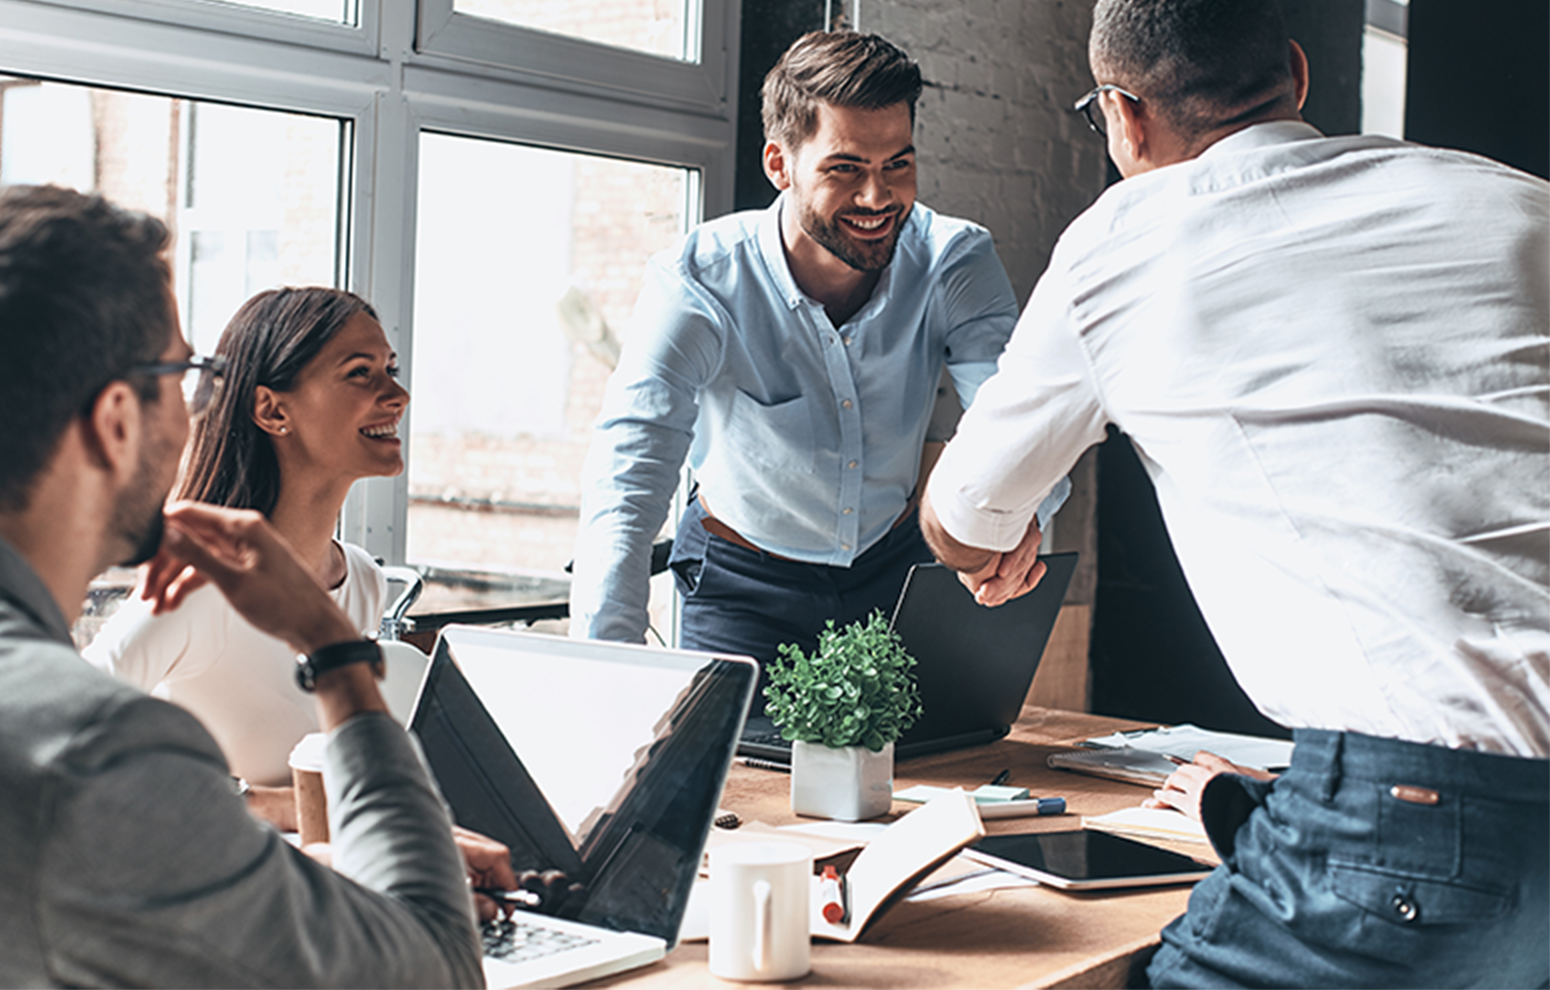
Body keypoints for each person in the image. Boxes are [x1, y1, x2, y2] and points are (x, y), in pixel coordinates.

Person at [918, 0, 1549, 986]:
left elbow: (960, 520)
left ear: (1122, 116)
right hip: (1418, 804)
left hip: (1420, 824)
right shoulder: (1516, 204)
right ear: (1294, 75)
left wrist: (990, 542)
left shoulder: (1126, 239)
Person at [0, 184, 510, 986]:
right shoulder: (95, 746)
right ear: (116, 421)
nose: (202, 403)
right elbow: (436, 970)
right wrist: (337, 657)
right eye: (184, 371)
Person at [571, 29, 1066, 671]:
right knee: (729, 771)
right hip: (742, 586)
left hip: (895, 569)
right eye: (845, 168)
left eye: (898, 164)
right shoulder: (697, 283)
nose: (877, 197)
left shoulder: (952, 259)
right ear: (780, 165)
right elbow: (629, 472)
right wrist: (606, 667)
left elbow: (1020, 415)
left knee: (927, 767)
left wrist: (1018, 519)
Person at [85, 286, 407, 830]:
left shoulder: (364, 581)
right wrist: (267, 804)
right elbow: (57, 738)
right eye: (360, 373)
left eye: (390, 369)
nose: (396, 394)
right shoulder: (200, 590)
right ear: (272, 409)